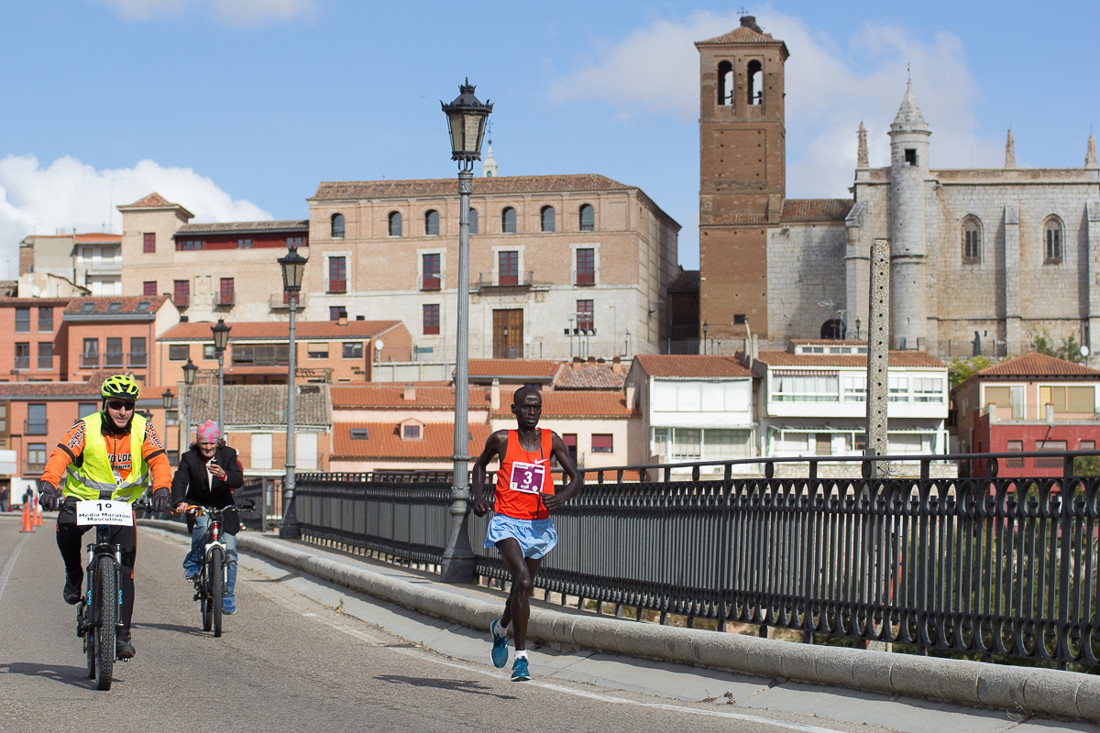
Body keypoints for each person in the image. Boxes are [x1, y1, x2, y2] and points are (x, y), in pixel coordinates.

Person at [38, 374, 172, 659]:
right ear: (105, 405)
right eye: (115, 405)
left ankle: (122, 636)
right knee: (65, 525)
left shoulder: (144, 428)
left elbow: (159, 459)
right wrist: (48, 485)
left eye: (128, 405)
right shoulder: (86, 426)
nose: (122, 411)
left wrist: (162, 489)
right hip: (84, 499)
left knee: (125, 570)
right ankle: (74, 574)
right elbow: (61, 454)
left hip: (123, 504)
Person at [471, 386, 583, 681]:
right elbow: (479, 466)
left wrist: (561, 498)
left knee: (523, 587)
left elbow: (576, 478)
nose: (532, 412)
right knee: (521, 580)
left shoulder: (551, 440)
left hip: (538, 525)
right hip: (506, 520)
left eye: (536, 407)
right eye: (526, 407)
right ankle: (521, 658)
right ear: (514, 410)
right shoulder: (502, 440)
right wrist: (479, 497)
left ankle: (500, 627)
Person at [170, 420, 244, 614]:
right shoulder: (189, 458)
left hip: (224, 507)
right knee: (202, 525)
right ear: (198, 443)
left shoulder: (228, 455)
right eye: (204, 444)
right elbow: (179, 480)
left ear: (218, 443)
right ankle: (193, 562)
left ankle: (227, 596)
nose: (208, 447)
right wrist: (179, 501)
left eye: (212, 443)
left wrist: (224, 475)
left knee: (231, 553)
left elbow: (238, 479)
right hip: (199, 504)